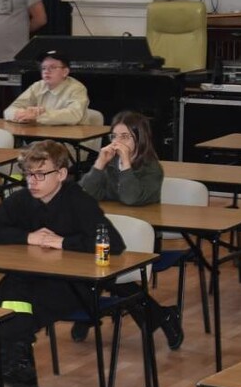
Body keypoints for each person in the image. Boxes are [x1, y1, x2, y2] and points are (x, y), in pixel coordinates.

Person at [0, 141, 125, 387]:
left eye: (41, 174)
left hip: (73, 284)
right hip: (33, 278)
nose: (33, 181)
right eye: (29, 174)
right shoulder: (22, 200)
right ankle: (16, 377)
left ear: (61, 174)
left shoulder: (78, 201)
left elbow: (114, 244)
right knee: (6, 295)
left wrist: (63, 242)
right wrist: (27, 237)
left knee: (13, 310)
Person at [77, 112, 180, 349]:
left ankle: (89, 312)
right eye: (114, 136)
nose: (118, 142)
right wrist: (99, 164)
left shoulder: (152, 169)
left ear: (139, 138)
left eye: (125, 136)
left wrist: (125, 164)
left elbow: (131, 198)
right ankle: (160, 316)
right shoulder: (109, 165)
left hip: (140, 240)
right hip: (111, 234)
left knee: (107, 271)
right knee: (98, 266)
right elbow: (84, 196)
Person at [3, 51, 89, 126]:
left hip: (70, 136)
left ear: (65, 72)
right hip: (39, 134)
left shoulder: (77, 88)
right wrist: (22, 114)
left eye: (52, 67)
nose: (46, 71)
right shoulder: (38, 86)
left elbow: (74, 115)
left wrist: (37, 116)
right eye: (43, 68)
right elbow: (9, 110)